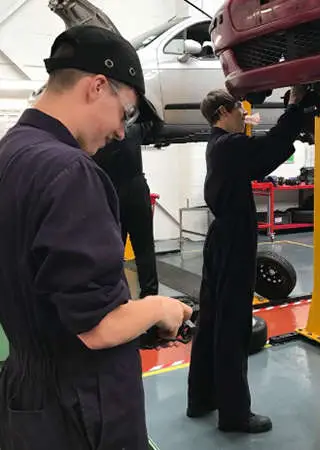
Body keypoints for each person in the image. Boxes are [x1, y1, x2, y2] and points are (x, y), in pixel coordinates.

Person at [0, 25, 192, 450]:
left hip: (27, 396)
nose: (123, 133)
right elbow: (96, 328)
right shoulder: (70, 172)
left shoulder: (10, 153)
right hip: (83, 407)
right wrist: (158, 306)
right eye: (125, 113)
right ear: (97, 86)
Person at [187, 86, 320, 433]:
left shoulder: (217, 145)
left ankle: (200, 398)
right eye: (238, 111)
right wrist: (293, 109)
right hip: (233, 240)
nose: (243, 116)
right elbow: (268, 151)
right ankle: (234, 415)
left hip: (220, 239)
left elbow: (259, 152)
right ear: (221, 113)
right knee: (232, 325)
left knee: (212, 320)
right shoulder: (229, 146)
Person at [93, 121, 161, 297]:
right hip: (135, 191)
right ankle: (150, 295)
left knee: (114, 251)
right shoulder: (135, 129)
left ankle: (117, 297)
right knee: (145, 249)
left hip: (111, 193)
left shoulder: (98, 135)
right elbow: (155, 125)